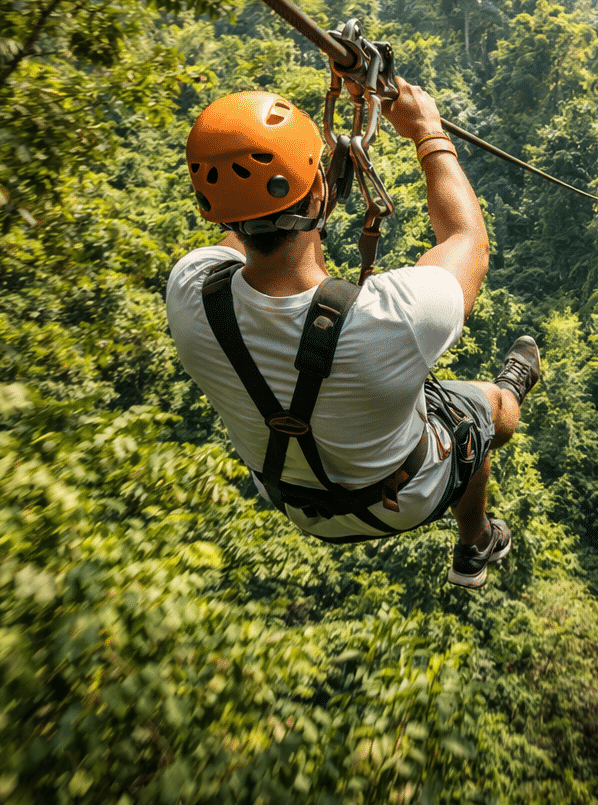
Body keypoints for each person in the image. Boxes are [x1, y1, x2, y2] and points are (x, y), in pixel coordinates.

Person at [164, 81, 539, 588]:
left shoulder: (189, 295)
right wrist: (427, 131)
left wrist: (315, 183)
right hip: (407, 496)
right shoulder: (394, 319)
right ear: (317, 191)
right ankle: (475, 540)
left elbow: (247, 225)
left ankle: (475, 541)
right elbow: (465, 240)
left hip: (302, 507)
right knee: (487, 410)